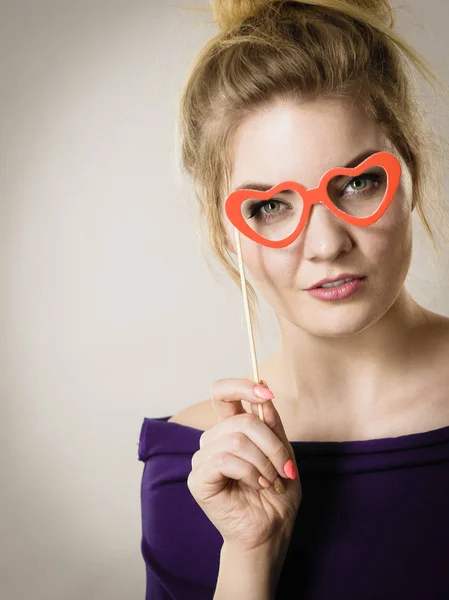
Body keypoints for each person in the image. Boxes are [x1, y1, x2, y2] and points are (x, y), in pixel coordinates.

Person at [138, 1, 449, 598]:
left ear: (412, 170)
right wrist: (251, 554)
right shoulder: (191, 470)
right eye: (271, 206)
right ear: (223, 228)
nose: (327, 244)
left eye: (359, 183)